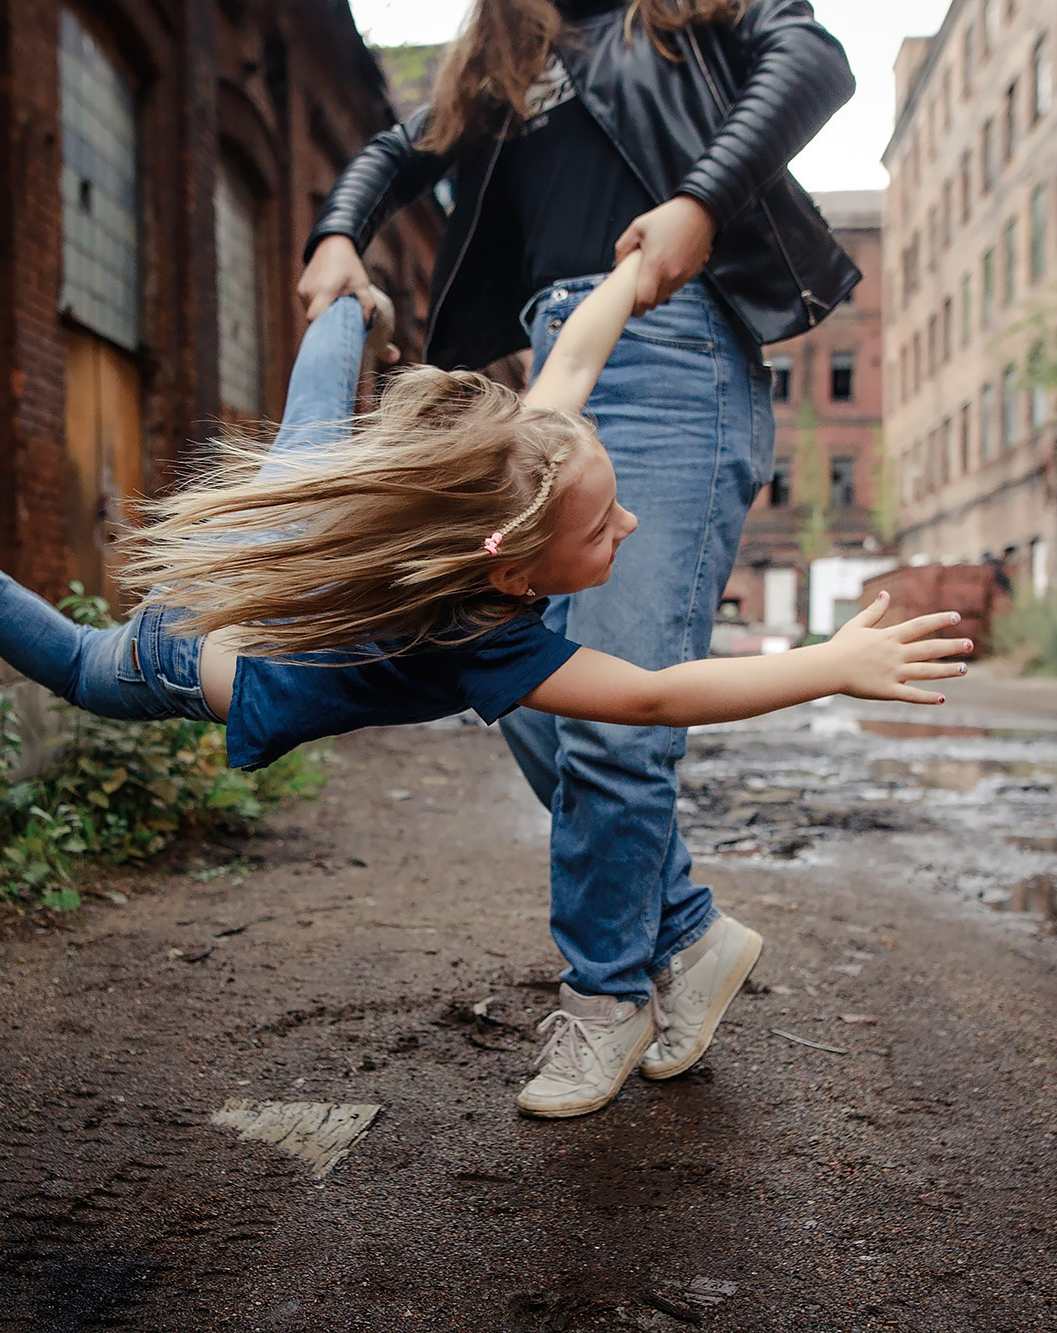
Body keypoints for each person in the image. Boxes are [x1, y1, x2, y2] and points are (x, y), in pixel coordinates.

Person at [0, 257, 971, 1115]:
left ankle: (348, 302)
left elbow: (570, 359)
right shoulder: (484, 635)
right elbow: (653, 700)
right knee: (86, 667)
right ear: (512, 566)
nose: (626, 521)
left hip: (303, 518)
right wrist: (827, 667)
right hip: (197, 655)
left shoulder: (520, 464)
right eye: (604, 525)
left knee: (313, 414)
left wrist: (631, 273)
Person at [298, 0, 862, 1117]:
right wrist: (336, 235)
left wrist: (700, 200)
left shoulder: (681, 17)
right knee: (513, 682)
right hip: (552, 349)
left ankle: (608, 993)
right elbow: (391, 151)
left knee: (611, 714)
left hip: (673, 340)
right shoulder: (512, 52)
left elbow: (811, 61)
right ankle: (685, 934)